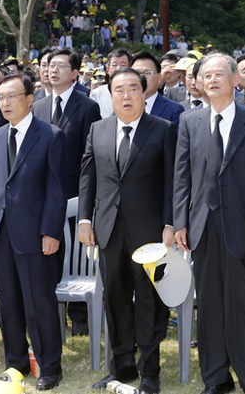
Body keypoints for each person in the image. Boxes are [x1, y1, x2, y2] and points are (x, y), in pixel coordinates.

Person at [173, 53, 245, 394]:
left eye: (220, 74)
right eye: (206, 75)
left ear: (236, 80)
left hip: (242, 229)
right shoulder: (189, 122)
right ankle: (216, 379)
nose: (213, 79)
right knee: (210, 305)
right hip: (201, 227)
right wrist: (180, 222)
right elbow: (182, 177)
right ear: (199, 83)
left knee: (242, 306)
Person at [78, 68, 176, 394]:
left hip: (149, 234)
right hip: (107, 230)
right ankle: (121, 367)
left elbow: (172, 183)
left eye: (133, 88)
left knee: (149, 301)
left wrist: (169, 224)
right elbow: (88, 178)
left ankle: (150, 371)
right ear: (110, 95)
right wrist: (84, 220)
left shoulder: (162, 130)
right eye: (118, 89)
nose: (126, 95)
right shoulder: (98, 129)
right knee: (115, 298)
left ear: (144, 93)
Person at [0, 74, 66, 391]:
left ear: (30, 98)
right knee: (9, 303)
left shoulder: (51, 135)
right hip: (1, 233)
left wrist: (50, 231)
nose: (5, 102)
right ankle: (15, 364)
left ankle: (49, 367)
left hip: (35, 233)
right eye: (1, 97)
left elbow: (56, 190)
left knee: (39, 302)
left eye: (12, 96)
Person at [31, 48, 101, 200]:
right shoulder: (37, 107)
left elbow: (90, 156)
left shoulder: (88, 107)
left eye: (62, 66)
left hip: (72, 191)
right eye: (52, 65)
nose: (54, 70)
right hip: (41, 189)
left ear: (75, 73)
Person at [131, 51, 183, 131]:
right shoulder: (123, 106)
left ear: (159, 77)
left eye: (147, 73)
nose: (141, 78)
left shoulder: (174, 110)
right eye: (137, 73)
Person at [91, 48, 131, 117]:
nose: (118, 68)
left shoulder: (136, 92)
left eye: (123, 65)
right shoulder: (97, 94)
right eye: (114, 65)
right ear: (108, 70)